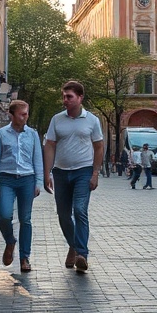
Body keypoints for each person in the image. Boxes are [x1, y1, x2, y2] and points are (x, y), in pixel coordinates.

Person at [43, 80, 104, 274]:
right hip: (61, 172)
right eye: (63, 96)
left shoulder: (92, 120)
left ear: (80, 98)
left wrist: (95, 173)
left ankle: (82, 254)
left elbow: (99, 147)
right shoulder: (57, 119)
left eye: (69, 96)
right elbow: (50, 145)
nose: (65, 100)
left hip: (83, 171)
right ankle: (74, 246)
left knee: (79, 210)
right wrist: (47, 172)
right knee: (63, 215)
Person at [0, 100, 43, 274]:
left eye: (27, 113)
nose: (26, 116)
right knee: (4, 215)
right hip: (6, 179)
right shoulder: (2, 134)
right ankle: (10, 241)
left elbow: (37, 159)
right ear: (12, 115)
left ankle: (24, 257)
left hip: (27, 179)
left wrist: (38, 182)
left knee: (25, 219)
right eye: (22, 114)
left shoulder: (32, 134)